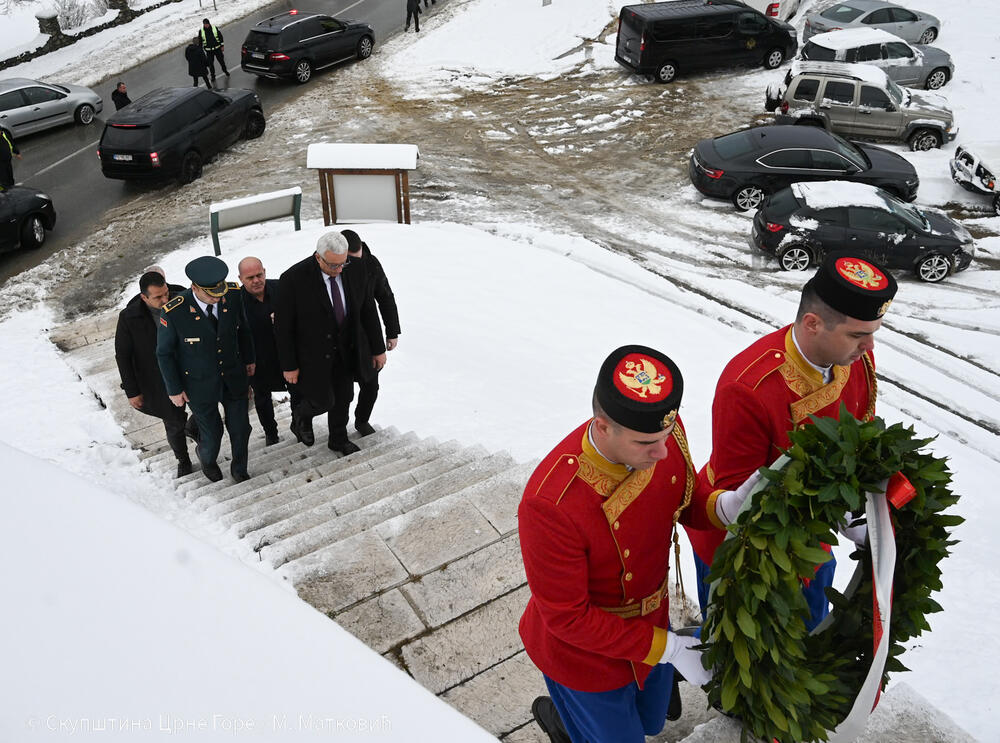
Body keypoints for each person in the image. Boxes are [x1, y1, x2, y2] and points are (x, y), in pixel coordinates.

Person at [519, 345, 757, 743]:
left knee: (652, 722)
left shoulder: (661, 434)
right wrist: (669, 649)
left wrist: (723, 507)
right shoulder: (550, 503)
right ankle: (565, 722)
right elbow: (569, 619)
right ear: (603, 427)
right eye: (647, 443)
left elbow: (681, 497)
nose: (662, 452)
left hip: (651, 618)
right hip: (585, 658)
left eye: (665, 437)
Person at [685, 252, 898, 630]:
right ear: (813, 323)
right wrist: (834, 508)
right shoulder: (748, 387)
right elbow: (741, 500)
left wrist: (858, 506)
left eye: (872, 333)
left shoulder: (856, 359)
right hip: (743, 545)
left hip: (813, 537)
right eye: (857, 334)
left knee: (810, 634)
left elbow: (857, 438)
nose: (869, 346)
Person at [274, 232, 386, 456]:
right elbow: (283, 327)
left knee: (344, 397)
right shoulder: (293, 279)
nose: (339, 269)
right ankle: (302, 414)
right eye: (333, 265)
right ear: (318, 257)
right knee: (322, 400)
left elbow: (368, 310)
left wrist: (378, 349)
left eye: (343, 263)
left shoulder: (356, 268)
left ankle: (338, 439)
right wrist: (289, 365)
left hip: (347, 348)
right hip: (312, 353)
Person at [156, 256, 256, 484]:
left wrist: (249, 359)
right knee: (212, 433)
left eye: (220, 292)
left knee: (241, 428)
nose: (217, 298)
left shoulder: (232, 294)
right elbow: (164, 353)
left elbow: (243, 329)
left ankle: (239, 468)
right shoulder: (174, 311)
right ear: (195, 288)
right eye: (211, 294)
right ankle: (207, 459)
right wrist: (174, 389)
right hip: (198, 384)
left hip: (233, 375)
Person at [115, 271, 195, 478]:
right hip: (159, 379)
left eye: (166, 293)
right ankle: (183, 460)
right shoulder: (129, 318)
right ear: (144, 297)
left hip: (191, 370)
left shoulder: (183, 298)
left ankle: (195, 432)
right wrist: (132, 391)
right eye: (158, 297)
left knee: (204, 410)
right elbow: (123, 356)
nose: (165, 300)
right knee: (173, 423)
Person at [341, 230, 400, 436]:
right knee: (342, 390)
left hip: (366, 336)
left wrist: (392, 332)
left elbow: (385, 297)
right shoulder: (330, 263)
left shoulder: (371, 263)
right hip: (339, 337)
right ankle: (338, 431)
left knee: (371, 385)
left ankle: (362, 420)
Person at [238, 256, 298, 446]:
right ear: (241, 279)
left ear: (264, 272)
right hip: (258, 361)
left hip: (285, 356)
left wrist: (285, 319)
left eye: (259, 275)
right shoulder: (235, 301)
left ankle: (299, 425)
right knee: (262, 399)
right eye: (250, 278)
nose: (256, 280)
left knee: (297, 392)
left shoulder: (281, 288)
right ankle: (270, 432)